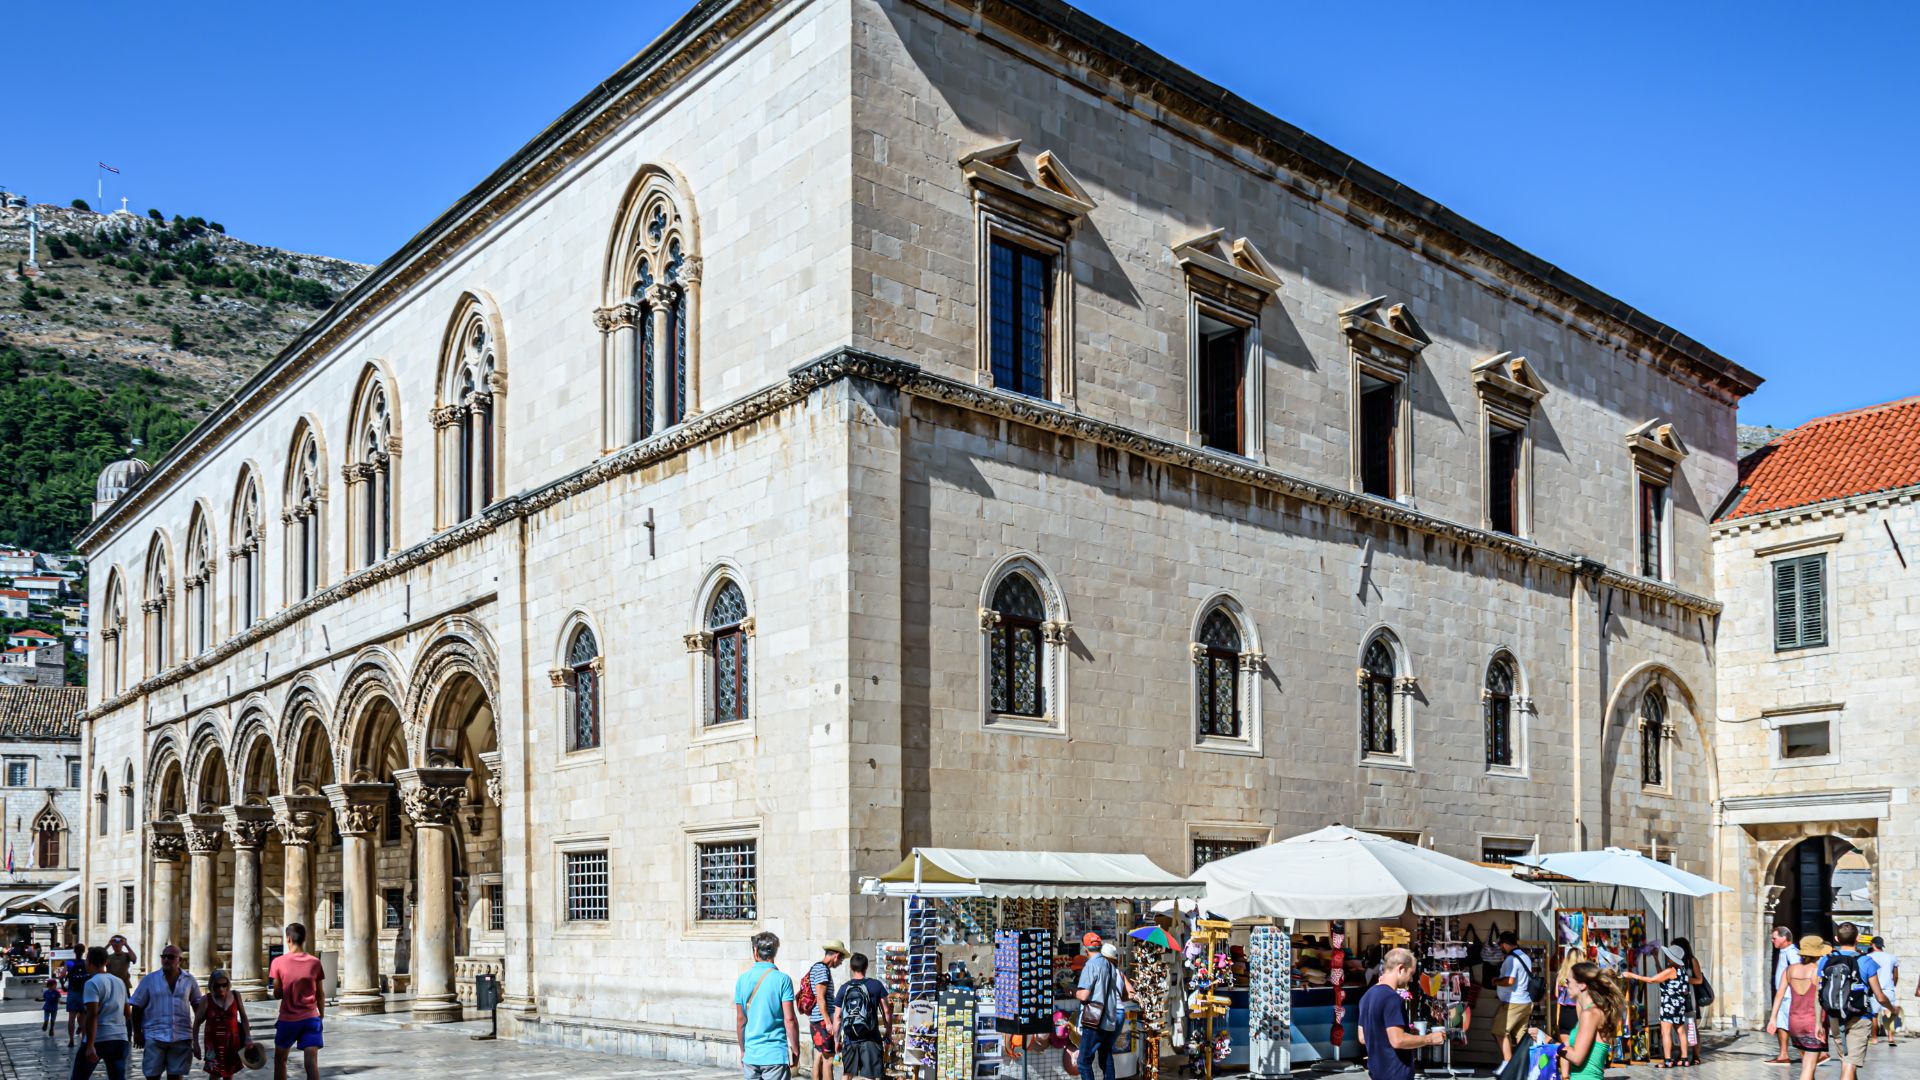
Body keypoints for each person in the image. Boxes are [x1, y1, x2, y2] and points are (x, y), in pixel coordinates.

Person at [1819, 922, 1894, 1080]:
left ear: (1836, 938)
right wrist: (1891, 1008)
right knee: (1849, 1064)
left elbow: (1818, 990)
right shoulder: (1866, 961)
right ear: (1858, 938)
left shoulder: (1826, 960)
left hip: (1835, 1016)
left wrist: (1818, 1023)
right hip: (1860, 1016)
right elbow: (1879, 996)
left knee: (1846, 1061)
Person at [1357, 948, 1446, 1080]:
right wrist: (1430, 1039)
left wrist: (1407, 1033)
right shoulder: (1392, 998)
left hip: (1377, 1074)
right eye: (1411, 973)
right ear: (1400, 969)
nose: (1410, 979)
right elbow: (1397, 1041)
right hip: (1396, 1074)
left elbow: (1363, 1037)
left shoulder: (1367, 996)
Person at [1529, 961, 1625, 1080]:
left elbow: (1577, 1057)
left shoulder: (1591, 1014)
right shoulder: (1589, 1011)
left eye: (1568, 981)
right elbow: (1571, 1046)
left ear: (1582, 985)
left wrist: (1548, 1040)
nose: (1565, 985)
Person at [129, 944, 202, 1080]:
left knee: (176, 1076)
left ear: (179, 960)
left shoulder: (189, 980)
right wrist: (137, 1032)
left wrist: (199, 1033)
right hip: (154, 1035)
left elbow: (197, 1005)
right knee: (152, 1075)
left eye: (171, 957)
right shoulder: (150, 979)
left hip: (181, 1035)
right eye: (164, 956)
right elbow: (137, 1006)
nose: (166, 960)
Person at [735, 931, 801, 1080]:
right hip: (775, 1055)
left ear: (755, 951)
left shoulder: (742, 980)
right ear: (775, 952)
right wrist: (795, 1049)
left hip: (751, 1054)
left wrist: (743, 1050)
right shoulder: (783, 980)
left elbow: (741, 1020)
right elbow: (789, 1020)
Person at [266, 922, 325, 1080]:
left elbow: (278, 993)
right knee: (311, 1063)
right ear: (304, 939)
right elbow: (320, 994)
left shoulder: (278, 962)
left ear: (288, 939)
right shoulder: (315, 962)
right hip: (311, 1018)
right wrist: (321, 1014)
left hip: (288, 1019)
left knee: (280, 1060)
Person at [1769, 935, 1830, 1080]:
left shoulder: (1790, 970)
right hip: (1812, 1022)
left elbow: (1779, 995)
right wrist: (1818, 1024)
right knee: (1808, 1068)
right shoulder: (1817, 970)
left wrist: (1773, 1019)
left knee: (1807, 1064)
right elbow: (1818, 999)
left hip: (1795, 1021)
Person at [1622, 943, 1692, 1068]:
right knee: (1681, 1031)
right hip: (1679, 1005)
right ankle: (1685, 1058)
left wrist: (1631, 975)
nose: (1667, 958)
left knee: (1666, 1033)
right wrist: (1655, 958)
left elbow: (1652, 980)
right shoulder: (1681, 971)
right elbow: (1662, 975)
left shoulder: (1671, 970)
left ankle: (1667, 1060)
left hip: (1669, 1005)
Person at [1075, 935, 1133, 1080]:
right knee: (1105, 1053)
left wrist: (1072, 991)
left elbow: (1083, 995)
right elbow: (1128, 994)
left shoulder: (1091, 965)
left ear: (1085, 949)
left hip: (1094, 1020)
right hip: (1110, 1017)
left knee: (1083, 1062)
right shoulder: (1110, 967)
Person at [73, 945, 132, 1080]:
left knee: (79, 1077)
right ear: (106, 962)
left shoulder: (91, 983)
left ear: (88, 962)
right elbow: (127, 1013)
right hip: (119, 1038)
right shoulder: (119, 982)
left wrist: (89, 1045)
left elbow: (92, 1014)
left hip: (99, 1038)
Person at [834, 952, 890, 1080]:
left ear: (851, 967)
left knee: (847, 1074)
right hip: (871, 1038)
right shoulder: (876, 985)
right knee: (871, 1075)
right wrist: (888, 1032)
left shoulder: (844, 988)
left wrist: (837, 1040)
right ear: (866, 967)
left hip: (850, 1038)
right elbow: (886, 1011)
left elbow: (837, 1018)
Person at [193, 970, 254, 1080]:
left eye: (224, 985)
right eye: (217, 986)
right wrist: (196, 1044)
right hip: (213, 1043)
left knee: (229, 1073)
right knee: (214, 1073)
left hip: (231, 1042)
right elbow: (196, 1023)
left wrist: (248, 1038)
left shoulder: (236, 995)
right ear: (212, 985)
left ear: (228, 984)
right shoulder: (206, 999)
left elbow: (244, 1017)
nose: (221, 988)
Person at [806, 941, 848, 1080]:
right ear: (836, 955)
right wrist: (828, 1022)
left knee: (819, 1056)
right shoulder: (822, 969)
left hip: (817, 1019)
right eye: (841, 959)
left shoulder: (819, 968)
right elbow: (821, 998)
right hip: (822, 1021)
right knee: (829, 1060)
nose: (841, 962)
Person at [1492, 932, 1535, 1064]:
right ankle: (1525, 1065)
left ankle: (1508, 1064)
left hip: (1514, 1003)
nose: (1501, 947)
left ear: (1504, 944)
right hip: (1526, 1002)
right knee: (1520, 1037)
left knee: (1499, 1031)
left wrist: (1496, 981)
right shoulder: (1525, 957)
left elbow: (1510, 981)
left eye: (1501, 945)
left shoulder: (1511, 959)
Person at [1765, 926, 1802, 1064]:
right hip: (1784, 996)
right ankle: (1783, 1055)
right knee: (1782, 1025)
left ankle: (1812, 1055)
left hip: (1789, 996)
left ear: (1784, 938)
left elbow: (1797, 972)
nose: (1772, 940)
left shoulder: (1792, 953)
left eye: (1775, 938)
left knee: (1793, 1026)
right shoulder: (1784, 952)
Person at [1868, 937, 1899, 1047]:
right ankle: (1891, 1038)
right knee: (1889, 1014)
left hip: (1874, 990)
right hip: (1889, 989)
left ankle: (1874, 1038)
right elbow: (1895, 976)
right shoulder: (1892, 957)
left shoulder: (1868, 957)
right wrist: (1892, 986)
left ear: (1872, 944)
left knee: (1874, 1015)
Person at [67, 941, 90, 1047]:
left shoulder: (70, 962)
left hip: (72, 991)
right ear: (83, 951)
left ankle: (71, 1039)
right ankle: (84, 1039)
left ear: (74, 951)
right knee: (84, 1017)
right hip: (84, 992)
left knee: (71, 1017)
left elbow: (61, 975)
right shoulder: (86, 963)